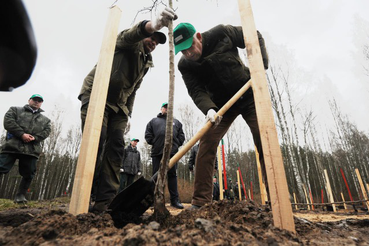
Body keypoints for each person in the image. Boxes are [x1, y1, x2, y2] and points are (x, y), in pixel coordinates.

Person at [78, 8, 178, 213]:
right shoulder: (128, 44)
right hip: (97, 94)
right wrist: (152, 25)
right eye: (152, 38)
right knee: (96, 141)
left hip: (119, 106)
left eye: (158, 42)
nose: (154, 42)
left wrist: (129, 114)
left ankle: (104, 201)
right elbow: (129, 35)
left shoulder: (146, 63)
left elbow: (133, 90)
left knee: (116, 147)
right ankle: (84, 194)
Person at [173, 22, 269, 209]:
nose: (189, 54)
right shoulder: (185, 65)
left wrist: (261, 66)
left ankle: (277, 198)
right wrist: (209, 109)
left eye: (189, 47)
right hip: (221, 106)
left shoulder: (222, 33)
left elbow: (253, 35)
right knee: (206, 143)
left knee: (264, 138)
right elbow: (196, 90)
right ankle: (200, 203)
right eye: (183, 51)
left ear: (198, 36)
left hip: (248, 94)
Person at [0, 94, 51, 203]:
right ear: (29, 100)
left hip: (31, 150)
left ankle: (20, 196)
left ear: (41, 103)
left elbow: (46, 132)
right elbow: (8, 122)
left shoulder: (46, 120)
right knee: (1, 167)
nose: (36, 102)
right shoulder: (15, 110)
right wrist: (22, 134)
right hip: (12, 146)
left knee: (29, 174)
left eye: (39, 101)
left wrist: (35, 138)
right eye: (34, 100)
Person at [145, 102, 185, 209]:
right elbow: (148, 135)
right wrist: (156, 142)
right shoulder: (154, 121)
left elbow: (181, 137)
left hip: (172, 154)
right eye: (165, 108)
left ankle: (174, 200)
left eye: (169, 108)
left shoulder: (176, 122)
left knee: (172, 175)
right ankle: (153, 200)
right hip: (157, 153)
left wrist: (175, 145)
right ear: (161, 109)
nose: (167, 109)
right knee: (156, 176)